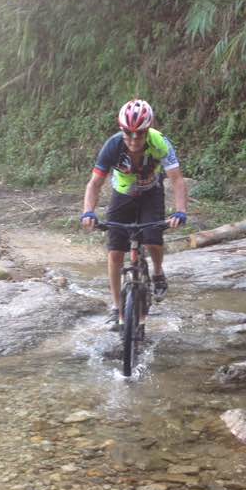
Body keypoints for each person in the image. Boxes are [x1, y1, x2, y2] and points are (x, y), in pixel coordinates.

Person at [81, 99, 188, 329]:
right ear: (122, 130)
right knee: (115, 252)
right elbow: (95, 184)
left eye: (139, 134)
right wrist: (88, 212)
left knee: (152, 237)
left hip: (151, 193)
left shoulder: (160, 143)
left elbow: (177, 180)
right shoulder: (112, 146)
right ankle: (117, 307)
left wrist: (180, 211)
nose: (133, 139)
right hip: (122, 195)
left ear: (147, 130)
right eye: (128, 133)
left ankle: (158, 272)